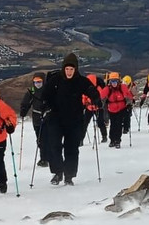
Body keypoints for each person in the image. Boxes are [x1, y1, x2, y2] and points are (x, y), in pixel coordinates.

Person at [40, 52, 102, 186]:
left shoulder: (81, 81)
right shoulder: (55, 79)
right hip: (56, 118)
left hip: (74, 120)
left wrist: (96, 99)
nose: (69, 72)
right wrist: (45, 106)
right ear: (63, 68)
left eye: (71, 69)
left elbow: (92, 90)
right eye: (67, 69)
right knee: (54, 145)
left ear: (76, 69)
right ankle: (58, 172)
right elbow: (45, 94)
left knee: (72, 148)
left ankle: (69, 176)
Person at [19, 72, 49, 167]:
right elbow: (26, 102)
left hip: (48, 117)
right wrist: (23, 110)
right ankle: (44, 158)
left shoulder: (49, 90)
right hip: (36, 117)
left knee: (48, 138)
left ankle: (47, 158)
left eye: (39, 81)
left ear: (43, 81)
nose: (37, 84)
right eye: (35, 82)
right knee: (40, 138)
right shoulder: (31, 91)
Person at [103, 71, 134, 148]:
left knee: (119, 125)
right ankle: (112, 140)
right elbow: (101, 96)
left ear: (118, 81)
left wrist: (129, 104)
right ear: (109, 81)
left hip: (121, 109)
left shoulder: (122, 87)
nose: (114, 83)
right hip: (112, 110)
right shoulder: (107, 89)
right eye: (112, 81)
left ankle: (117, 141)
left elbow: (128, 96)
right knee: (113, 125)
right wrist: (98, 103)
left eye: (115, 81)